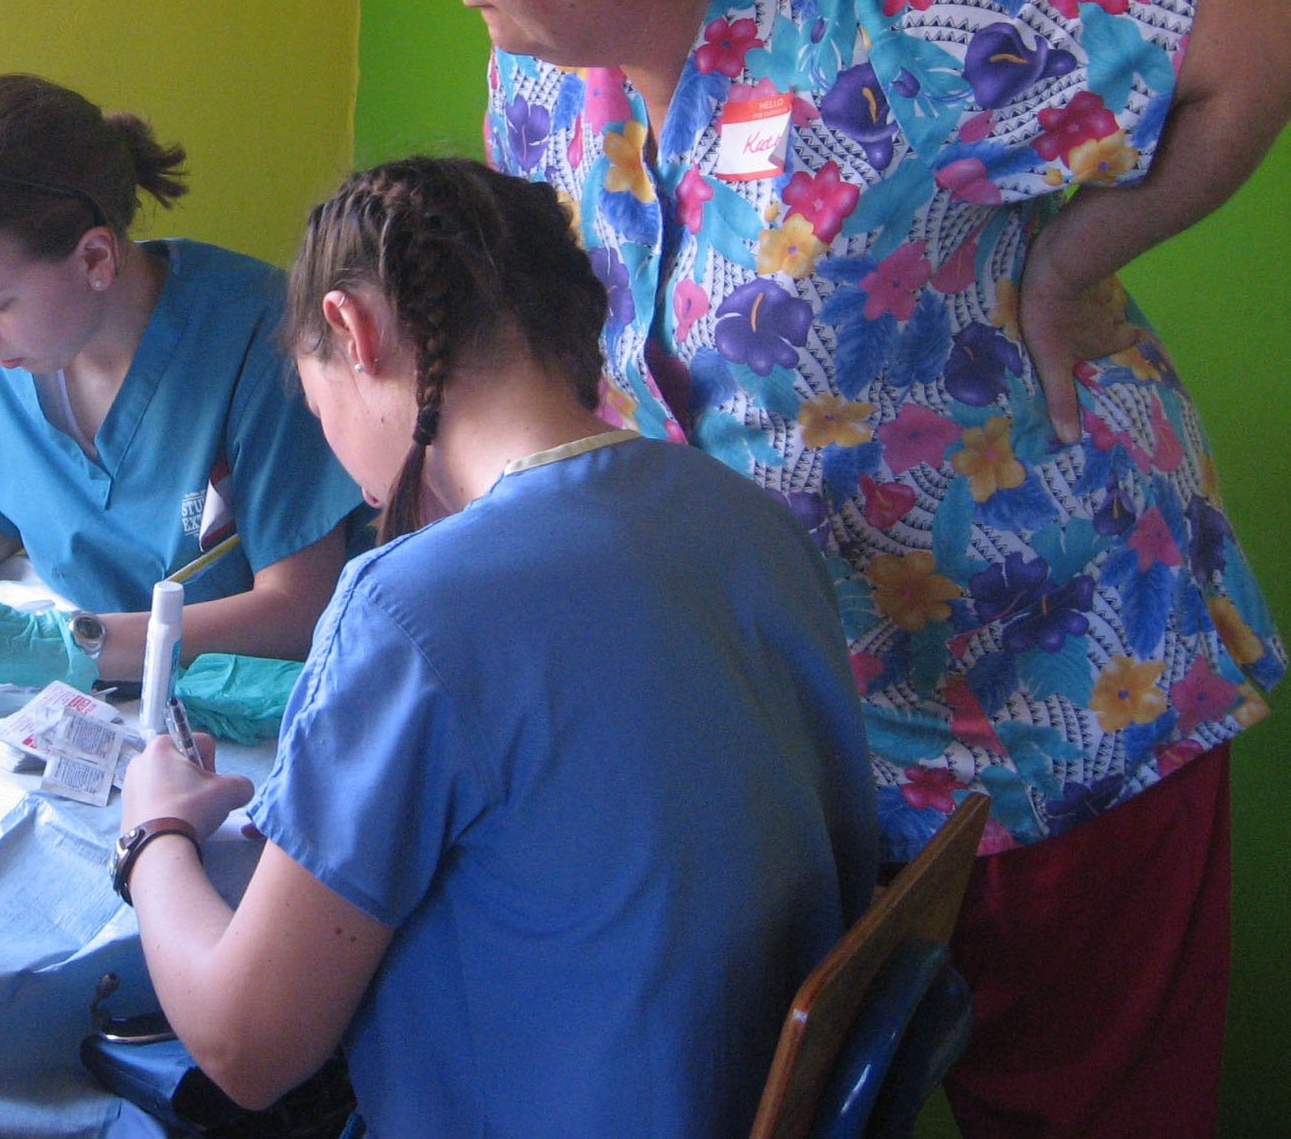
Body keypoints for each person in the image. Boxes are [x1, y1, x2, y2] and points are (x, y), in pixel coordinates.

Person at [395, 0, 1291, 1136]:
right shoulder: (542, 81)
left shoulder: (884, 18)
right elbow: (571, 348)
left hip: (1063, 675)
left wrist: (1068, 270)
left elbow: (1255, 35)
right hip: (823, 704)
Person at [117, 157, 877, 1138]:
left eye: (320, 414)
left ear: (354, 332)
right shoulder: (749, 521)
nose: (353, 485)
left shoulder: (409, 609)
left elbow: (244, 1048)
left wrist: (153, 835)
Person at [0, 74, 364, 682]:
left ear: (94, 259)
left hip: (242, 716)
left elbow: (299, 612)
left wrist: (69, 644)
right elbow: (6, 499)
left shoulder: (261, 343)